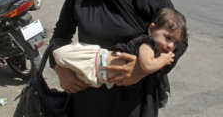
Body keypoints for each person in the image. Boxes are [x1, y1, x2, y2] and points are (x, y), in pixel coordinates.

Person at [49, 0, 188, 117]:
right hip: (89, 102)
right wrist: (59, 68)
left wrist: (144, 71)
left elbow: (180, 41)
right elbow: (59, 38)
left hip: (137, 103)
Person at [53, 8, 187, 89]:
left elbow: (183, 39)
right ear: (151, 29)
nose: (171, 46)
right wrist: (59, 69)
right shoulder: (148, 44)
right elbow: (147, 65)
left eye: (175, 43)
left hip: (106, 81)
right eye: (168, 38)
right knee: (62, 56)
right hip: (96, 64)